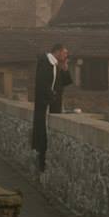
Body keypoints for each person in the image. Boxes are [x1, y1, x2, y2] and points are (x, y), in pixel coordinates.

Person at [30, 42, 73, 172]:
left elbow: (65, 83)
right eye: (65, 53)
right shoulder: (45, 62)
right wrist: (52, 96)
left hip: (52, 106)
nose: (66, 55)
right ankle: (40, 163)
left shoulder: (55, 65)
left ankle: (42, 162)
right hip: (45, 106)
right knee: (42, 135)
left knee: (45, 135)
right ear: (58, 52)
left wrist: (65, 68)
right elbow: (43, 84)